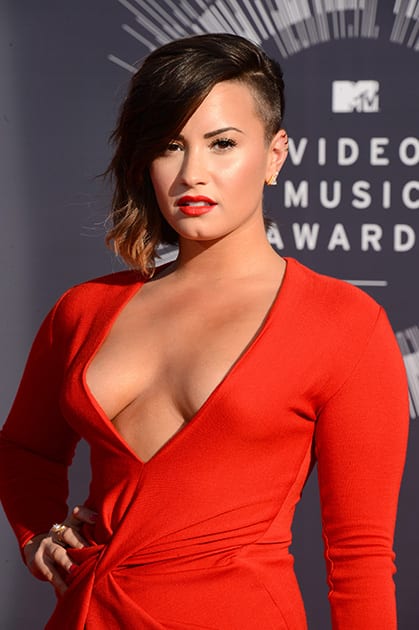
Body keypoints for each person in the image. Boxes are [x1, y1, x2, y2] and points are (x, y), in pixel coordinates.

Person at [0, 33, 409, 630]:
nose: (193, 173)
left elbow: (360, 560)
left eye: (222, 144)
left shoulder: (344, 323)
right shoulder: (85, 308)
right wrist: (37, 533)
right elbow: (24, 449)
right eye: (171, 145)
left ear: (275, 154)